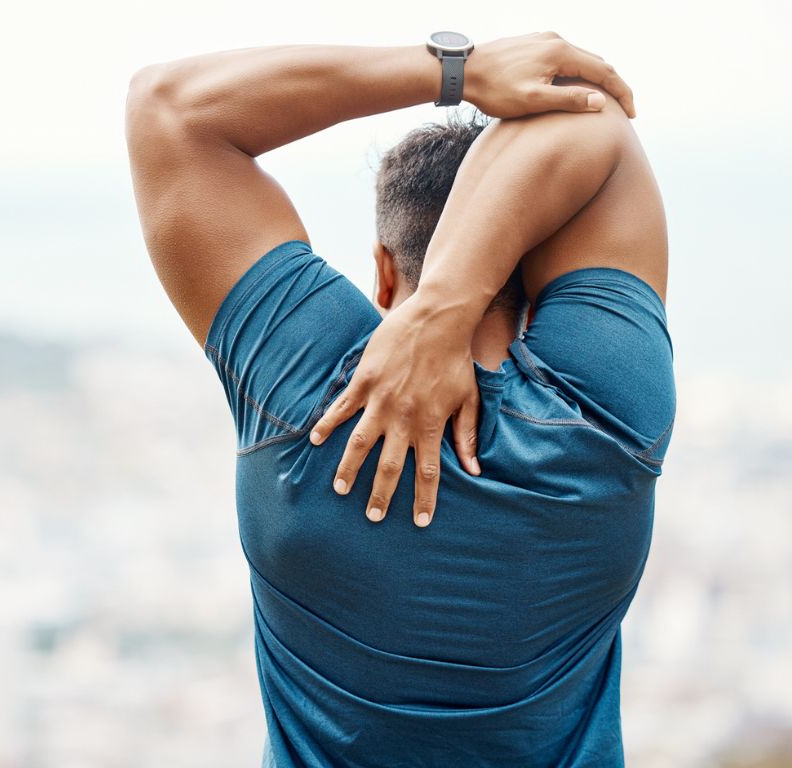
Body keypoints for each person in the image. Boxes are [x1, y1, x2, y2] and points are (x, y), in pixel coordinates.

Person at [125, 31, 674, 767]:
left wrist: (458, 72)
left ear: (384, 273)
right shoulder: (603, 420)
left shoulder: (309, 399)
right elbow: (591, 117)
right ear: (545, 270)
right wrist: (451, 301)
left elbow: (168, 110)